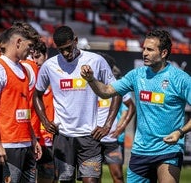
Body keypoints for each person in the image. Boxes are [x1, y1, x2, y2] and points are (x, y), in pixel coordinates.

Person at [81, 29, 191, 183]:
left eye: (150, 49)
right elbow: (106, 91)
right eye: (144, 48)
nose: (144, 53)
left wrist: (180, 132)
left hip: (169, 149)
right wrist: (91, 79)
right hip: (141, 150)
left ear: (164, 52)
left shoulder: (181, 79)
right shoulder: (136, 75)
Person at [33, 25, 122, 183]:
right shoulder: (49, 66)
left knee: (91, 181)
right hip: (62, 137)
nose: (66, 53)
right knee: (65, 180)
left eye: (68, 48)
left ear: (75, 41)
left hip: (89, 137)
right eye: (61, 50)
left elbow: (116, 91)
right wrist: (45, 121)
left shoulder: (96, 61)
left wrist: (107, 125)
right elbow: (36, 95)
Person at [0, 21, 42, 183]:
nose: (31, 50)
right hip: (6, 146)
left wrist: (33, 138)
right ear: (18, 42)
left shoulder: (23, 70)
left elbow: (24, 109)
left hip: (25, 144)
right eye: (29, 45)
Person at [97, 53, 136, 183]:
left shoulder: (117, 86)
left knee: (118, 176)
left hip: (111, 140)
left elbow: (131, 106)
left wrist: (121, 128)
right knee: (94, 178)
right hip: (92, 139)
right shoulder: (89, 84)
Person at [31, 40, 57, 183]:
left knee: (52, 179)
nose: (35, 61)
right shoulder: (29, 80)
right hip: (34, 138)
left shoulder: (55, 78)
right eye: (32, 57)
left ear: (45, 55)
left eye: (38, 56)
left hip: (53, 140)